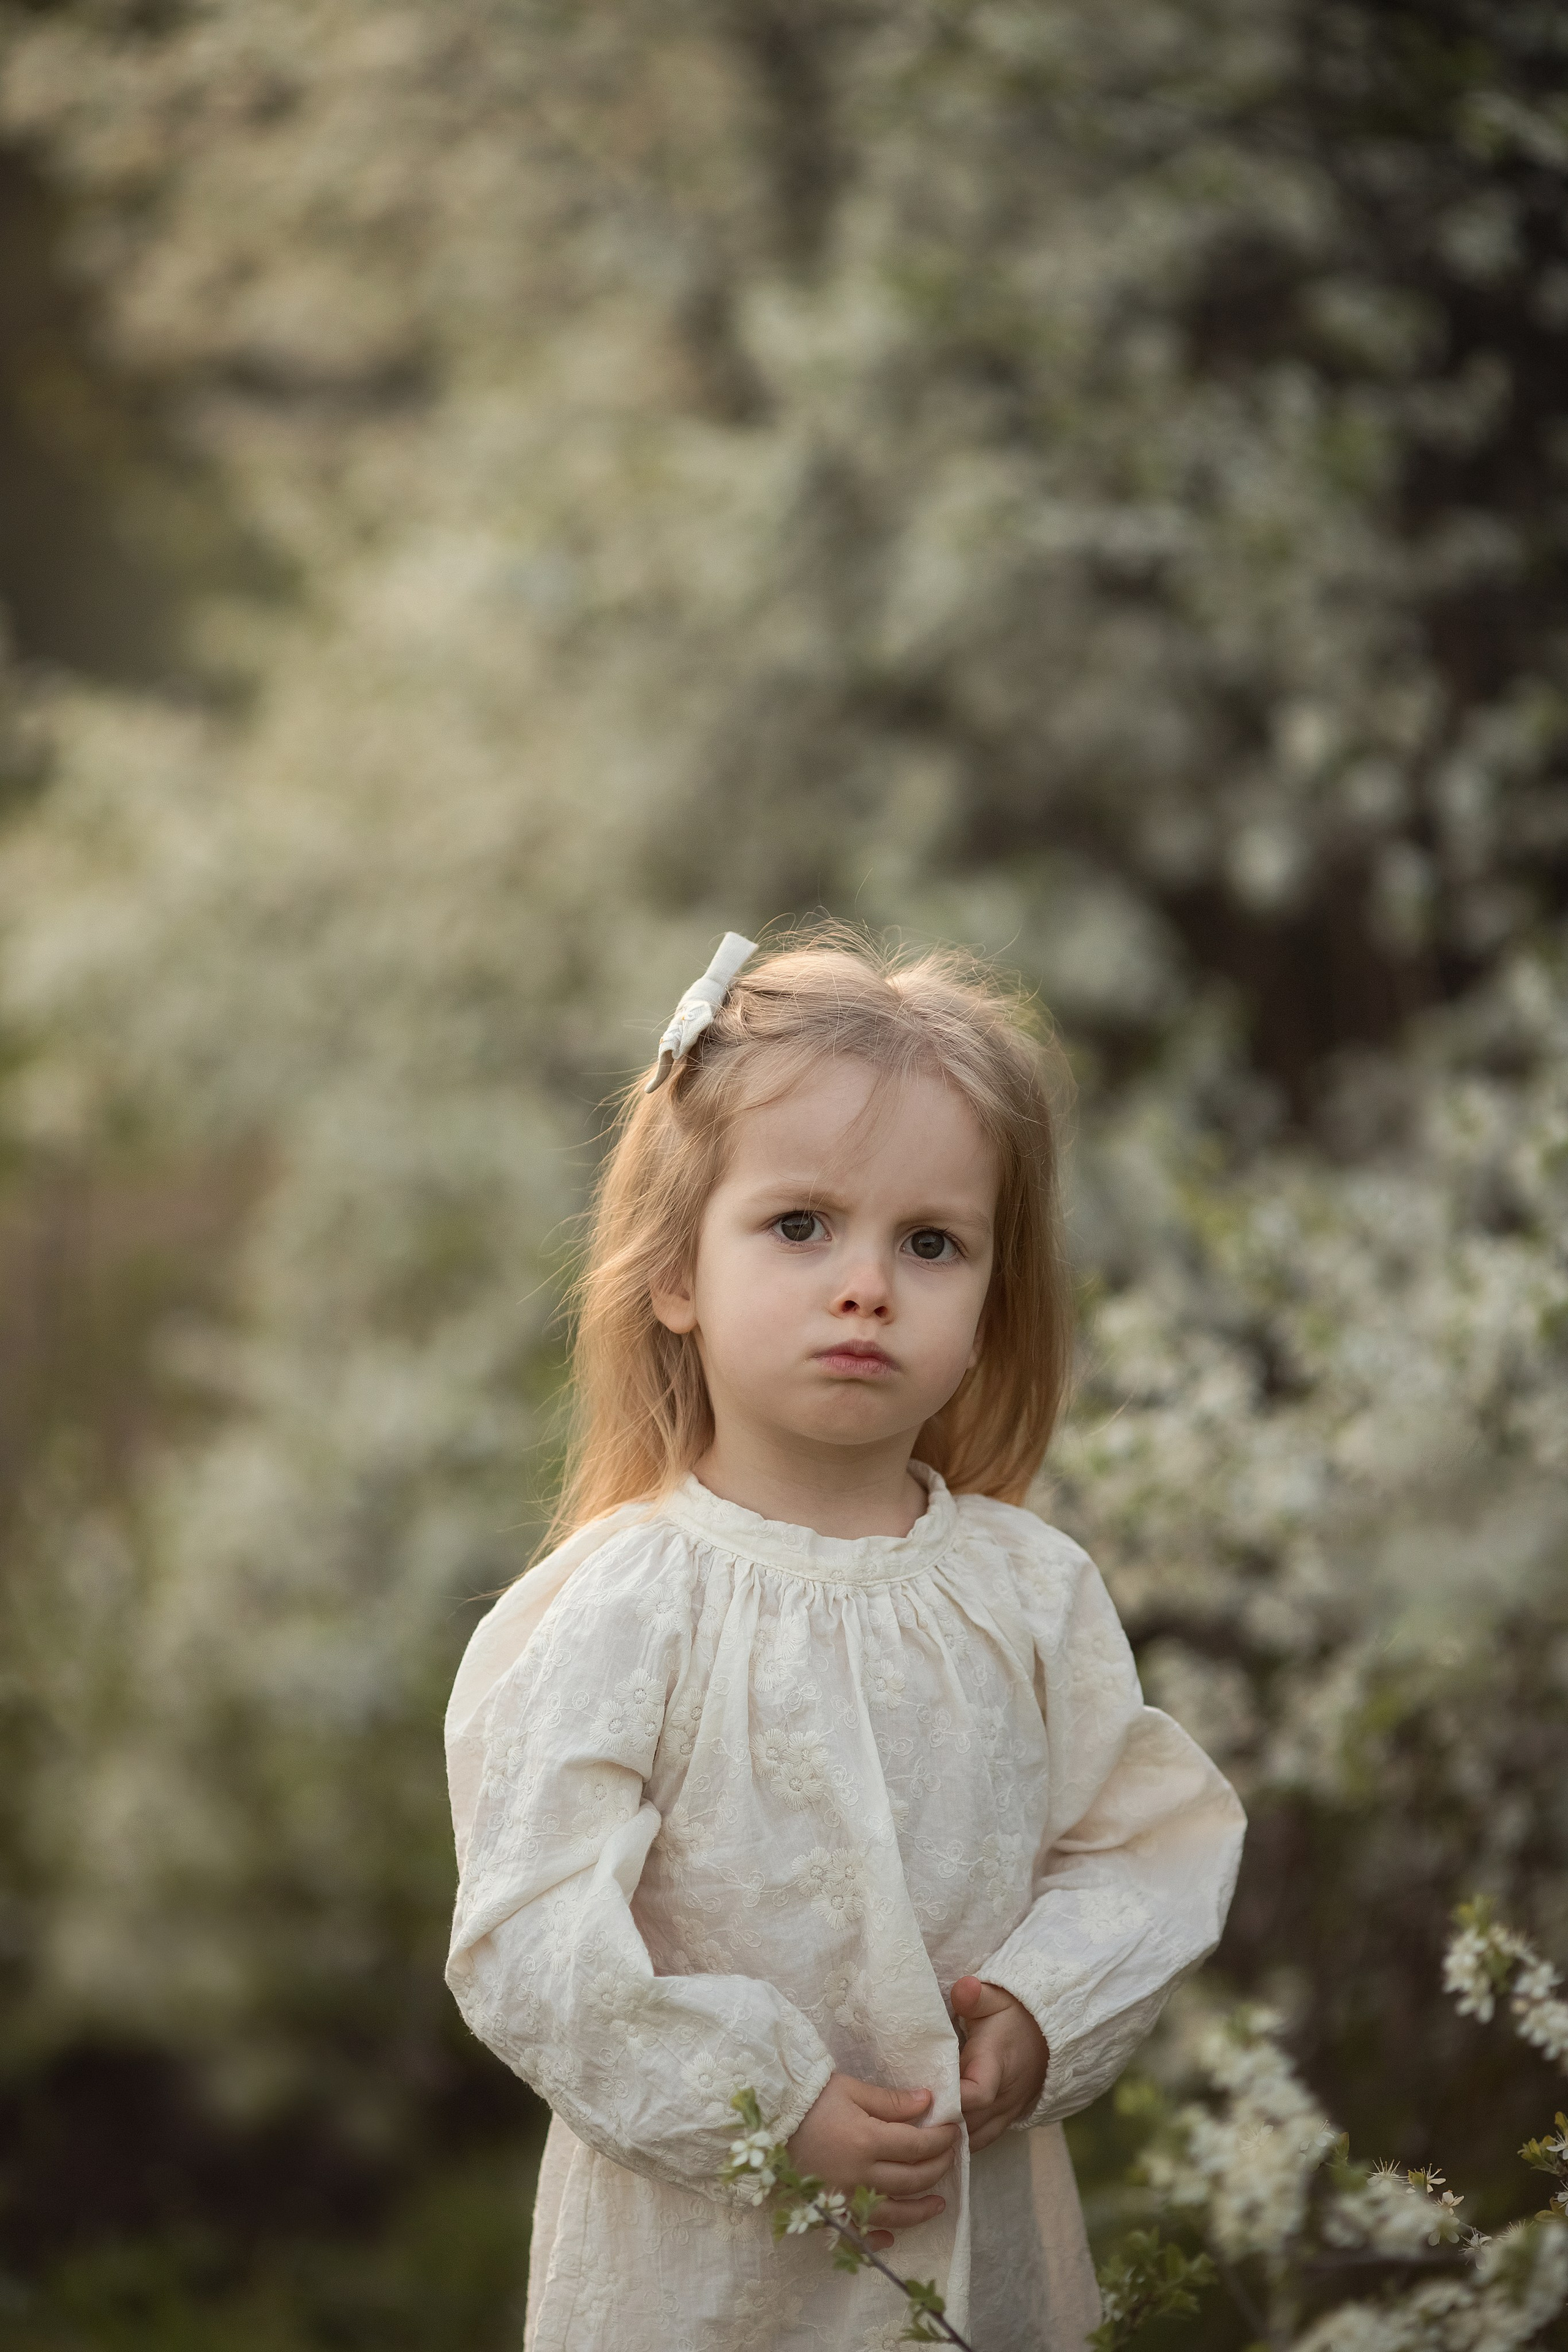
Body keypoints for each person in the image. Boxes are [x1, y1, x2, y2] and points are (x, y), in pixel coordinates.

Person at [445, 928, 1245, 2351]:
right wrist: (766, 2105)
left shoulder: (1026, 1591)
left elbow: (1148, 1843)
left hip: (977, 2245)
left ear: (988, 1305)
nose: (865, 1284)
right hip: (704, 2276)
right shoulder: (624, 1606)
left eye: (929, 1243)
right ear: (675, 1272)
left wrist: (1037, 2010)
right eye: (800, 1225)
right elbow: (533, 1938)